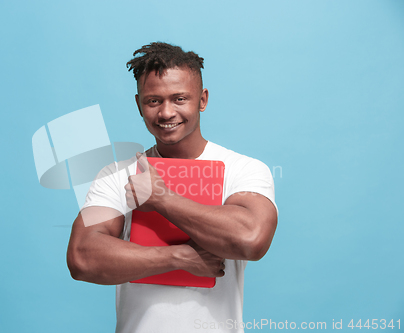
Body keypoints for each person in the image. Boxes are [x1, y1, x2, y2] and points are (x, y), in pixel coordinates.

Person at [67, 42, 278, 332]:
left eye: (179, 99)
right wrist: (178, 258)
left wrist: (161, 198)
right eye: (154, 101)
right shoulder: (116, 174)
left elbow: (251, 239)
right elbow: (82, 256)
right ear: (139, 104)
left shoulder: (244, 170)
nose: (166, 113)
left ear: (202, 100)